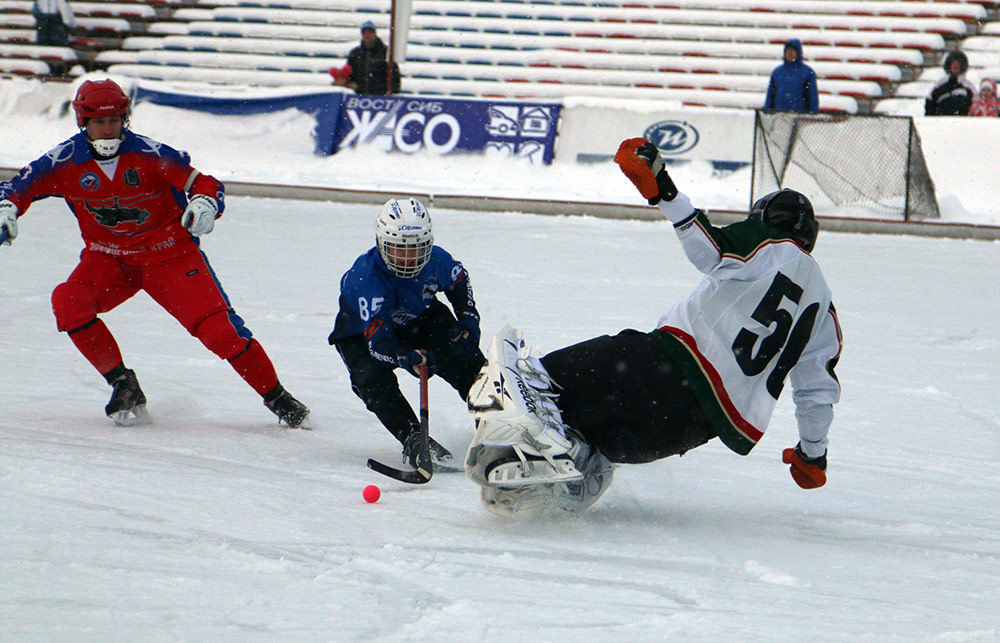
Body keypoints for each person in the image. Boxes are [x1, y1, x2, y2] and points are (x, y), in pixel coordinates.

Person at [463, 138, 842, 518]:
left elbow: (709, 248)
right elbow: (816, 393)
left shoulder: (772, 243)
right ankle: (561, 460)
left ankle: (525, 414)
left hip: (660, 368)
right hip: (683, 432)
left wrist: (663, 187)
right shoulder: (824, 313)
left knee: (541, 377)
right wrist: (812, 454)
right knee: (587, 431)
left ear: (768, 220)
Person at [0, 79, 310, 428]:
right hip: (109, 260)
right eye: (99, 122)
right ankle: (122, 383)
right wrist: (6, 209)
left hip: (170, 256)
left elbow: (205, 183)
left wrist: (206, 203)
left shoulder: (151, 154)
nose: (108, 130)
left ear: (125, 118)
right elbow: (15, 187)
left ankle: (279, 398)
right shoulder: (63, 160)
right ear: (82, 121)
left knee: (220, 334)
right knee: (69, 302)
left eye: (115, 120)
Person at [328, 198, 485, 470]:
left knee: (464, 354)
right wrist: (405, 357)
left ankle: (499, 417)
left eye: (417, 249)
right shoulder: (366, 278)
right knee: (371, 380)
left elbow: (460, 281)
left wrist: (469, 319)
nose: (408, 259)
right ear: (381, 244)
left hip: (419, 315)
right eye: (399, 250)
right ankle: (412, 437)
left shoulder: (437, 260)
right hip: (361, 333)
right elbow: (379, 344)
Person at [331, 21, 401, 95]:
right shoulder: (355, 53)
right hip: (360, 96)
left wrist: (393, 91)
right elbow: (350, 74)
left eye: (369, 32)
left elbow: (394, 75)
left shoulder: (386, 52)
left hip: (380, 96)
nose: (367, 35)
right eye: (364, 33)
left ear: (374, 34)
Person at [763, 38, 819, 113]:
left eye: (792, 51)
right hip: (779, 115)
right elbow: (771, 95)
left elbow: (812, 97)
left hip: (800, 115)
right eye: (788, 51)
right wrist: (767, 110)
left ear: (798, 53)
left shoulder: (807, 73)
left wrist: (813, 113)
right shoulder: (777, 73)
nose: (790, 53)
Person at [925, 50, 975, 116]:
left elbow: (975, 105)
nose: (955, 66)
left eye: (958, 63)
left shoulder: (968, 86)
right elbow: (930, 102)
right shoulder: (940, 84)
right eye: (953, 63)